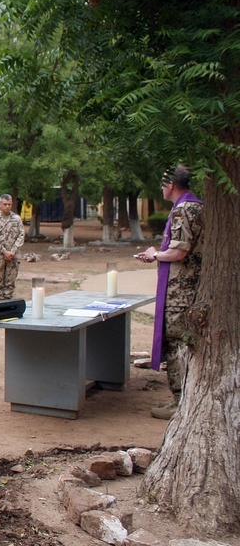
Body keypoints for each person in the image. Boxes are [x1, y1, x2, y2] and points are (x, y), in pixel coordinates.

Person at [135, 166, 204, 420]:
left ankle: (180, 399)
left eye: (163, 184)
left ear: (171, 185)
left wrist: (155, 255)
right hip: (192, 285)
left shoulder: (183, 210)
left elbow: (178, 253)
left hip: (181, 288)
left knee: (176, 343)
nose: (161, 188)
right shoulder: (197, 205)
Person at [0, 194, 24, 301]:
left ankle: (8, 303)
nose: (7, 207)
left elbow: (21, 235)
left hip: (13, 256)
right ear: (0, 205)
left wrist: (12, 251)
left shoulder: (16, 219)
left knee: (10, 283)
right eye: (5, 204)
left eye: (9, 204)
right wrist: (4, 251)